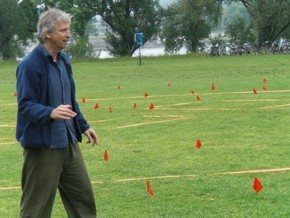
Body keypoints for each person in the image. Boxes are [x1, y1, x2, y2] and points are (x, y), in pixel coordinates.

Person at [16, 8, 98, 218]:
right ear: (47, 33)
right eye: (63, 30)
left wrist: (83, 125)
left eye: (68, 29)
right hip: (43, 147)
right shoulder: (29, 65)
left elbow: (69, 101)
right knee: (36, 208)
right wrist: (50, 112)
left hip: (69, 143)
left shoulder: (64, 61)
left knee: (83, 200)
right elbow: (25, 106)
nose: (68, 34)